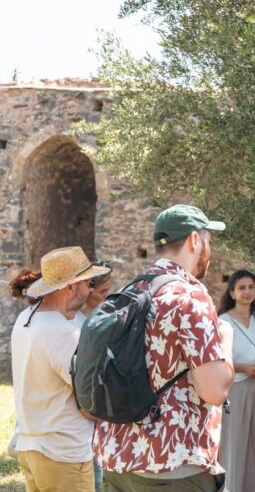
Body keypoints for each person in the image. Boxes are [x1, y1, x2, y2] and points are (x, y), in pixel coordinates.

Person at [93, 204, 235, 492]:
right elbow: (214, 390)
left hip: (118, 458)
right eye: (209, 240)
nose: (210, 248)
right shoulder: (190, 296)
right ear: (195, 240)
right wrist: (226, 337)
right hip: (171, 465)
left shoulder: (133, 290)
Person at [10, 246, 111, 492]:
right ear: (69, 286)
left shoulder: (27, 317)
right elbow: (92, 400)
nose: (90, 289)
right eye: (87, 283)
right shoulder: (64, 333)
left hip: (33, 447)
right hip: (63, 453)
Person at [217, 269, 255, 492]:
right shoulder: (223, 322)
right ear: (232, 292)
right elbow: (217, 361)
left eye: (251, 287)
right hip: (235, 388)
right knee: (234, 441)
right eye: (242, 287)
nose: (247, 292)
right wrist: (243, 368)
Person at [73, 260, 112, 492]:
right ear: (87, 291)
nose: (108, 297)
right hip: (82, 418)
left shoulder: (97, 320)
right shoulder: (77, 327)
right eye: (103, 292)